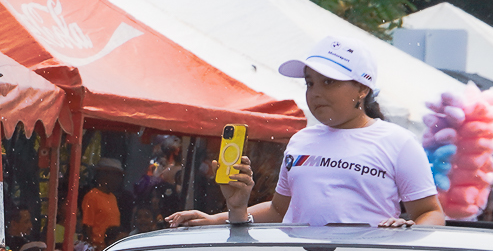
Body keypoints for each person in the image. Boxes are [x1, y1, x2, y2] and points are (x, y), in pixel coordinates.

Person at [169, 39, 441, 229]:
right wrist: (221, 217)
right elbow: (279, 210)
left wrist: (407, 231)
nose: (316, 93)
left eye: (329, 82)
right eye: (310, 83)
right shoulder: (301, 140)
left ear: (362, 88)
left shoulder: (399, 142)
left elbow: (431, 213)